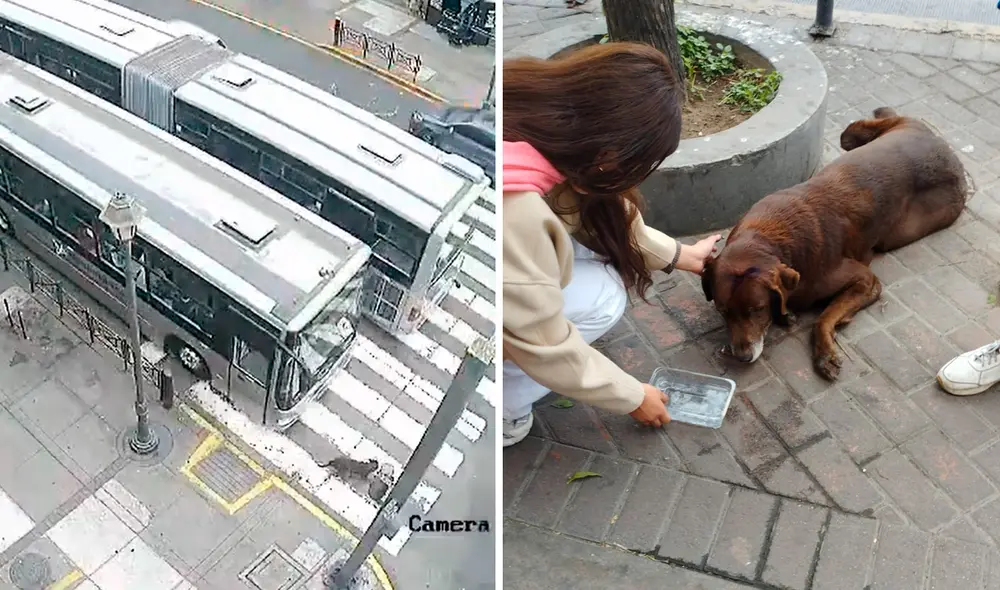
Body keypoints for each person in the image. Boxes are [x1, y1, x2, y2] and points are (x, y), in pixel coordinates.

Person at [502, 42, 721, 448]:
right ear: (607, 158)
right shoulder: (518, 215)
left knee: (594, 262)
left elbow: (600, 215)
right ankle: (501, 409)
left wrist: (680, 256)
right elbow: (545, 345)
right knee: (604, 296)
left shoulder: (531, 102)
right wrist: (632, 397)